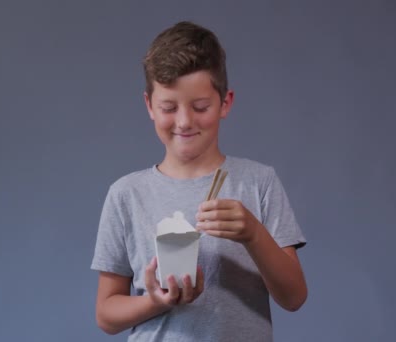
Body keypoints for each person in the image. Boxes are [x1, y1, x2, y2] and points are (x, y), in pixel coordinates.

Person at [91, 21, 307, 341]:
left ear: (225, 103)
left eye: (200, 106)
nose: (184, 121)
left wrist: (253, 234)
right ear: (150, 105)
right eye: (169, 107)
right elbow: (106, 315)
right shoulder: (127, 194)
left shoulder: (259, 183)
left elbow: (294, 297)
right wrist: (155, 301)